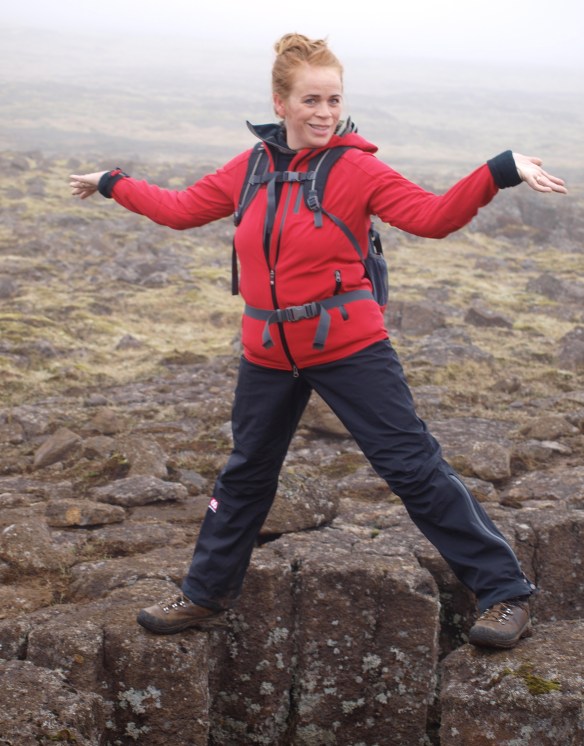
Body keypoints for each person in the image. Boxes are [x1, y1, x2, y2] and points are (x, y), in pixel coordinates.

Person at [70, 33, 567, 650]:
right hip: (268, 353)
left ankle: (504, 592)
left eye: (334, 99)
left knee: (412, 468)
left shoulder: (357, 168)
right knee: (245, 476)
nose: (325, 113)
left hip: (350, 347)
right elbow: (179, 207)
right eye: (311, 100)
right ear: (280, 102)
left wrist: (501, 168)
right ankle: (204, 594)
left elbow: (433, 218)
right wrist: (113, 182)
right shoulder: (250, 167)